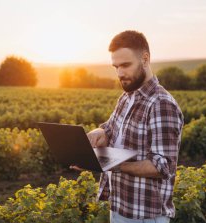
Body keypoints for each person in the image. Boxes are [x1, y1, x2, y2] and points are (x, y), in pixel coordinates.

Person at [71, 30, 183, 223]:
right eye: (115, 67)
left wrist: (114, 165)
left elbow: (163, 166)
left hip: (146, 215)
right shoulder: (126, 97)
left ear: (145, 59)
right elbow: (110, 128)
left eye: (125, 65)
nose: (120, 73)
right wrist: (99, 132)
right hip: (120, 207)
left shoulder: (161, 104)